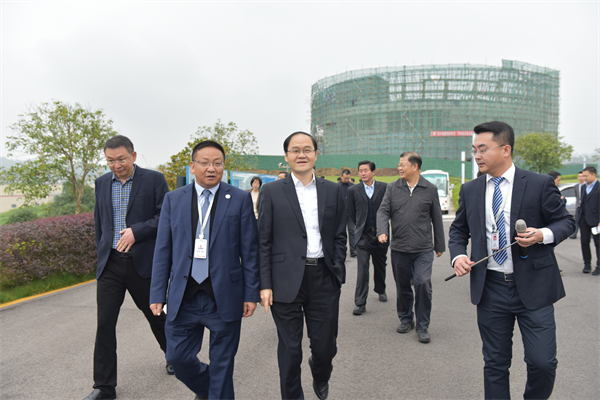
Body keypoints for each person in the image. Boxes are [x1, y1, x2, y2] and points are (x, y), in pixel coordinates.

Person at [449, 121, 575, 400]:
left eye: (483, 149)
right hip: (490, 287)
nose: (477, 155)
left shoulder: (539, 184)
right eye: (474, 150)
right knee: (495, 363)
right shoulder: (470, 190)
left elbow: (566, 222)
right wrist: (458, 256)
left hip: (535, 286)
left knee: (543, 363)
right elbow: (458, 230)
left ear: (505, 149)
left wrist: (542, 235)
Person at [149, 140, 260, 400]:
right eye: (205, 163)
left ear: (223, 166)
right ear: (193, 166)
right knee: (177, 357)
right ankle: (212, 391)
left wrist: (251, 294)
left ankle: (217, 392)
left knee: (223, 364)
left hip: (225, 295)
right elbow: (163, 249)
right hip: (184, 296)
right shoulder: (173, 199)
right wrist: (157, 293)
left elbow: (250, 251)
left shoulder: (239, 199)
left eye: (217, 163)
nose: (212, 168)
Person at [258, 131, 346, 400]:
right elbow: (263, 241)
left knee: (325, 348)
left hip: (324, 277)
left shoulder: (333, 190)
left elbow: (340, 235)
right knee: (290, 350)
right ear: (286, 157)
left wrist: (337, 270)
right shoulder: (271, 191)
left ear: (316, 154)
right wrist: (265, 284)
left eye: (307, 149)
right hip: (284, 280)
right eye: (295, 150)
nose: (301, 154)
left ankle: (320, 373)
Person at [85, 135, 170, 400]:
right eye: (110, 160)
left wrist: (137, 231)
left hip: (142, 263)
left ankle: (175, 356)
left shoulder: (154, 180)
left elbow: (165, 217)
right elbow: (101, 222)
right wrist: (102, 253)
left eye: (121, 159)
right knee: (104, 324)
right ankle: (104, 386)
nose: (116, 165)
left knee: (156, 315)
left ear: (133, 156)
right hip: (110, 264)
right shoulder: (101, 183)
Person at [377, 152, 445, 343]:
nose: (399, 168)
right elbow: (383, 211)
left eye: (403, 164)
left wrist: (439, 244)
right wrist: (382, 231)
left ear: (415, 166)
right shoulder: (392, 188)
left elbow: (437, 218)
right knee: (403, 287)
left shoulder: (430, 189)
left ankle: (423, 325)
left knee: (423, 283)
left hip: (423, 248)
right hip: (399, 248)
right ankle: (406, 319)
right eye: (398, 164)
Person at [347, 160, 389, 315]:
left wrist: (383, 230)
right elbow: (352, 213)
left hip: (380, 236)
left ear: (373, 172)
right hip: (363, 237)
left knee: (380, 266)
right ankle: (360, 303)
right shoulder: (353, 190)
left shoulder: (384, 188)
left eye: (366, 170)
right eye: (360, 171)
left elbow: (388, 210)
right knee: (362, 269)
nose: (363, 173)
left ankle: (380, 289)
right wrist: (360, 227)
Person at [577, 166, 600, 275]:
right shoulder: (583, 187)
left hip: (596, 220)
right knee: (584, 242)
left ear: (594, 175)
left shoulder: (599, 187)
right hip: (584, 219)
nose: (584, 178)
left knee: (598, 243)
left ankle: (599, 266)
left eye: (586, 176)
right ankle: (587, 264)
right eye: (583, 176)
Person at [339, 169, 356, 257]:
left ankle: (353, 250)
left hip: (350, 214)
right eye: (345, 178)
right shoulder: (337, 187)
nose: (346, 180)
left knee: (352, 232)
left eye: (348, 178)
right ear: (341, 176)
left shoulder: (353, 187)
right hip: (340, 214)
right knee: (341, 233)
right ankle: (341, 251)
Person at [571, 171, 586, 239]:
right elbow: (577, 196)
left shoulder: (587, 186)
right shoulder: (576, 186)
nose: (581, 178)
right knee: (577, 220)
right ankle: (574, 233)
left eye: (582, 176)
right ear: (577, 177)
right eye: (579, 176)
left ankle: (590, 234)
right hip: (578, 206)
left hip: (586, 206)